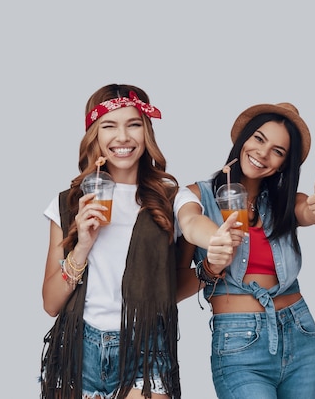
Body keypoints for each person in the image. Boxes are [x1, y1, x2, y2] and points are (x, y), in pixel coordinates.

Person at [40, 84, 207, 399]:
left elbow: (193, 226)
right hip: (77, 348)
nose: (123, 137)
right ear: (94, 134)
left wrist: (214, 252)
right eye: (109, 126)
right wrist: (84, 245)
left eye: (133, 124)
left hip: (145, 347)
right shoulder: (68, 203)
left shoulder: (170, 197)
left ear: (147, 132)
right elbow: (50, 303)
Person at [175, 102, 315, 399]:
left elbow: (306, 210)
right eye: (259, 139)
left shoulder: (282, 203)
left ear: (283, 164)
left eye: (278, 151)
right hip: (239, 343)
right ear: (243, 139)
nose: (263, 153)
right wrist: (210, 266)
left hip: (300, 332)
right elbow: (173, 288)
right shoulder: (198, 196)